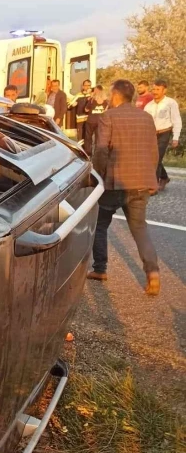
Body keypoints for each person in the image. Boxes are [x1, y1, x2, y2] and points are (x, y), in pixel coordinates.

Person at [89, 79, 159, 296]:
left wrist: (97, 177)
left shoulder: (108, 116)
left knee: (99, 225)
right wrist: (152, 179)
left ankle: (100, 269)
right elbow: (153, 151)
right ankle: (153, 272)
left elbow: (101, 150)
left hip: (114, 183)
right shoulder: (147, 117)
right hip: (140, 183)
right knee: (140, 229)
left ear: (116, 95)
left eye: (111, 94)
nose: (109, 98)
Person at [144, 79, 182, 192]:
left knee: (156, 158)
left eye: (158, 89)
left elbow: (176, 120)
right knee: (153, 158)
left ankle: (153, 186)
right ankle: (164, 177)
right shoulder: (148, 105)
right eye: (154, 89)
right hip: (151, 134)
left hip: (165, 132)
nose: (155, 91)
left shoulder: (170, 103)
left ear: (164, 90)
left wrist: (176, 137)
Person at [82, 85, 108, 156]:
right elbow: (107, 111)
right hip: (100, 122)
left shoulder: (92, 100)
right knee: (98, 138)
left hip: (90, 121)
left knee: (88, 137)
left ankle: (88, 152)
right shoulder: (106, 101)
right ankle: (97, 153)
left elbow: (86, 109)